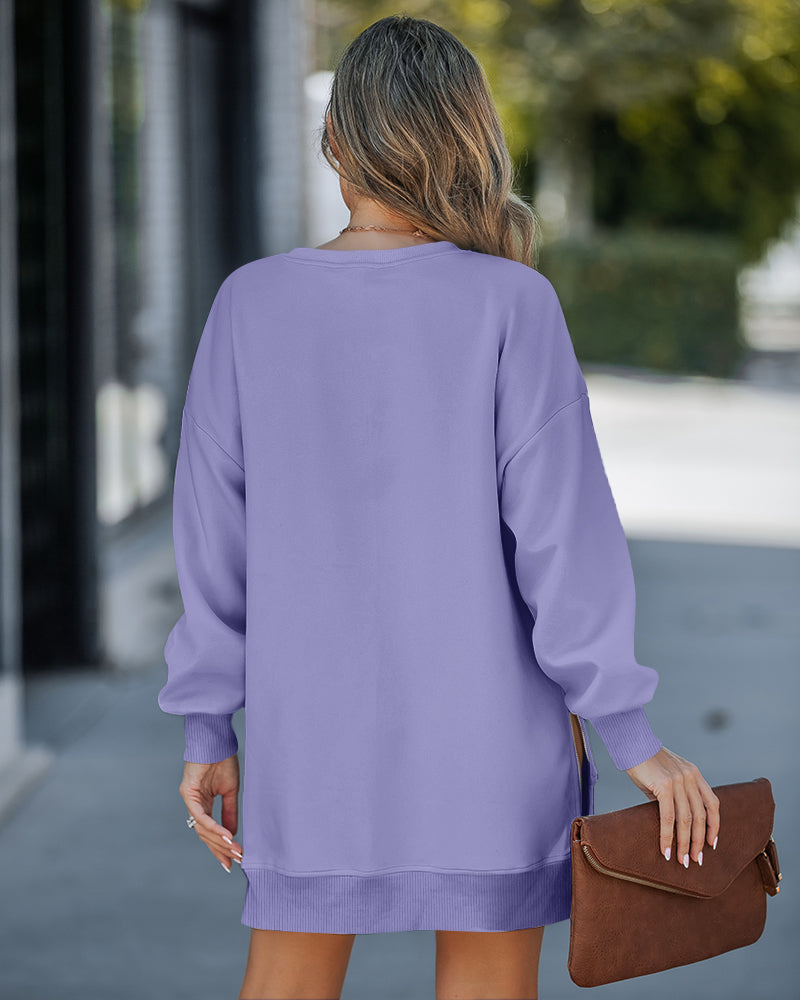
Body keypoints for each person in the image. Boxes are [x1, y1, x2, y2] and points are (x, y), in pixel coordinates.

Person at [157, 15, 721, 1000]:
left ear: (335, 141)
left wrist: (209, 728)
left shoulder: (249, 305)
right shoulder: (513, 305)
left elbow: (213, 544)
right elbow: (563, 545)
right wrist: (630, 734)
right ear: (464, 139)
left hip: (310, 749)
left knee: (285, 981)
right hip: (492, 753)